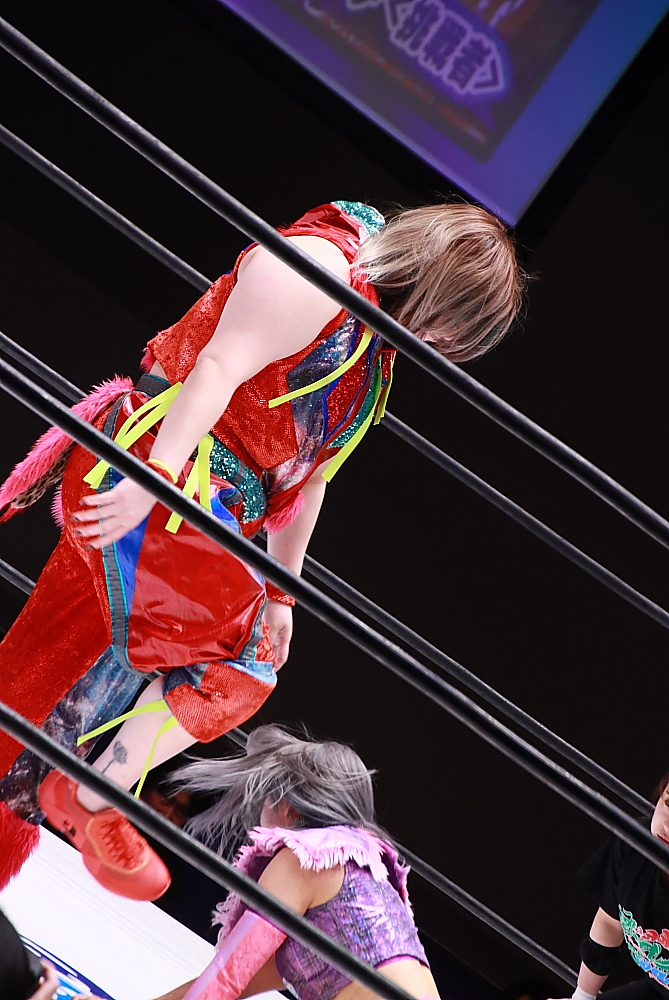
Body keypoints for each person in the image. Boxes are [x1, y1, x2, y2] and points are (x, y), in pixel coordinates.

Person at [0, 199, 525, 901]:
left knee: (64, 688)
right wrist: (149, 481)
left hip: (202, 516)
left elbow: (308, 481)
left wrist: (282, 593)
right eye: (445, 327)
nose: (434, 344)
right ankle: (95, 793)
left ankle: (86, 790)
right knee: (192, 667)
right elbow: (217, 365)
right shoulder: (323, 268)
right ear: (436, 290)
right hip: (156, 473)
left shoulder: (372, 346)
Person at [144, 724, 440, 1000]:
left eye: (265, 797)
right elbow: (234, 983)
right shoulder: (361, 882)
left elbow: (227, 977)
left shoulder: (303, 859)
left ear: (287, 806)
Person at [553, 772, 669, 1000]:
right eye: (668, 802)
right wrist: (582, 997)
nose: (667, 824)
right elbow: (609, 923)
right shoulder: (634, 843)